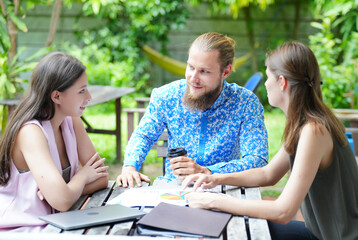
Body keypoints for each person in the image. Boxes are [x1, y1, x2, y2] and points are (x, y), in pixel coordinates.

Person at [182, 42, 358, 239]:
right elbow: (269, 174)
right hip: (320, 233)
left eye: (268, 77)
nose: (266, 83)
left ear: (282, 82)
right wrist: (214, 178)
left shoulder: (313, 131)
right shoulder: (305, 123)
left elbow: (283, 212)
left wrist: (213, 202)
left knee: (239, 228)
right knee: (240, 225)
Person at [117, 32, 268, 188]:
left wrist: (208, 171)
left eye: (204, 71)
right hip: (174, 189)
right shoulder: (166, 96)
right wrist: (130, 166)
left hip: (225, 189)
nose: (193, 78)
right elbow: (143, 135)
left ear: (226, 72)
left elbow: (258, 160)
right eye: (190, 67)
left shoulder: (246, 103)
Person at [0, 52, 109, 232]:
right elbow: (63, 201)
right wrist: (81, 177)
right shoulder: (31, 132)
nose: (89, 97)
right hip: (22, 228)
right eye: (81, 91)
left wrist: (65, 191)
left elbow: (101, 178)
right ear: (56, 96)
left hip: (57, 222)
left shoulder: (71, 120)